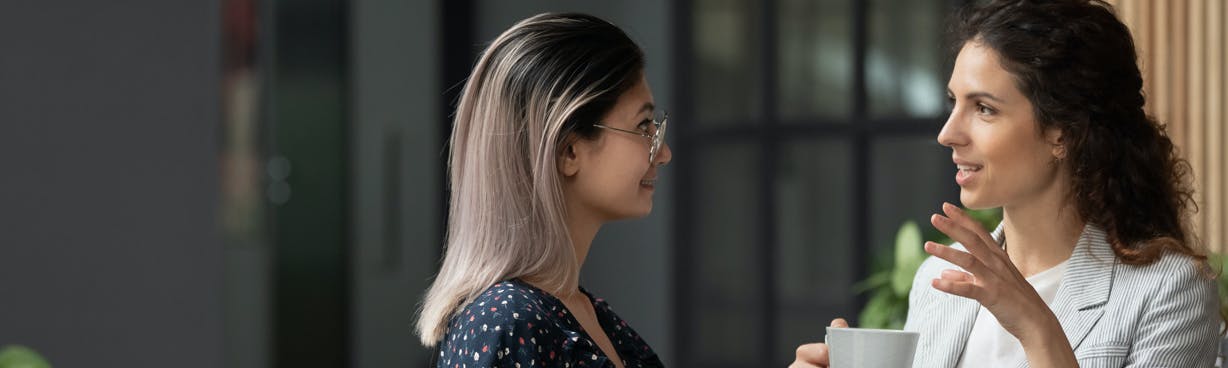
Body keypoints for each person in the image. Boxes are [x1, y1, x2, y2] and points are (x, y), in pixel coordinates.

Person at [791, 0, 1220, 367]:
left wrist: (1035, 325)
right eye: (953, 102)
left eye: (984, 109)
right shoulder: (939, 279)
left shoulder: (1169, 291)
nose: (947, 133)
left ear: (1063, 134)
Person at [414, 13, 670, 368]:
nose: (664, 153)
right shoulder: (506, 323)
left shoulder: (587, 316)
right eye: (644, 126)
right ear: (568, 150)